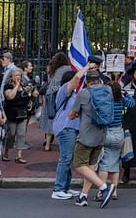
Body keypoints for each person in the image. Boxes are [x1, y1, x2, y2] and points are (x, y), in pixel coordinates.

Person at [68, 69, 116, 208]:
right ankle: (83, 196)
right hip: (101, 135)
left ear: (87, 81)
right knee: (90, 167)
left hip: (86, 136)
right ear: (99, 80)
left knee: (79, 164)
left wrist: (77, 114)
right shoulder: (108, 90)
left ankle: (104, 188)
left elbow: (72, 114)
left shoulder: (84, 93)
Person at [51, 66, 87, 200]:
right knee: (65, 158)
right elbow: (76, 78)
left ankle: (65, 187)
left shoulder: (74, 94)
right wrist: (87, 67)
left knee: (69, 158)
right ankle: (58, 189)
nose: (78, 82)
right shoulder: (64, 90)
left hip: (71, 128)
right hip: (65, 128)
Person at [95, 80, 134, 203]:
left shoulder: (105, 103)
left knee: (104, 164)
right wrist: (125, 94)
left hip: (107, 132)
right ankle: (115, 190)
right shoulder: (121, 101)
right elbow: (132, 103)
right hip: (119, 133)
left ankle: (102, 191)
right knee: (115, 163)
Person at [2, 68, 32, 164]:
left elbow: (32, 94)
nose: (17, 77)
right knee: (11, 134)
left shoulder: (24, 86)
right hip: (11, 114)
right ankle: (6, 152)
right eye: (15, 75)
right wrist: (17, 86)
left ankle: (19, 156)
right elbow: (10, 96)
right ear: (11, 77)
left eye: (19, 75)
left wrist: (31, 91)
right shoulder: (8, 86)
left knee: (21, 134)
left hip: (22, 113)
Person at [43, 52, 71, 152]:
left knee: (50, 121)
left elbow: (49, 83)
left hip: (51, 96)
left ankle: (47, 144)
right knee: (63, 120)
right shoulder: (68, 69)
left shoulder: (52, 69)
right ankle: (61, 143)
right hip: (63, 97)